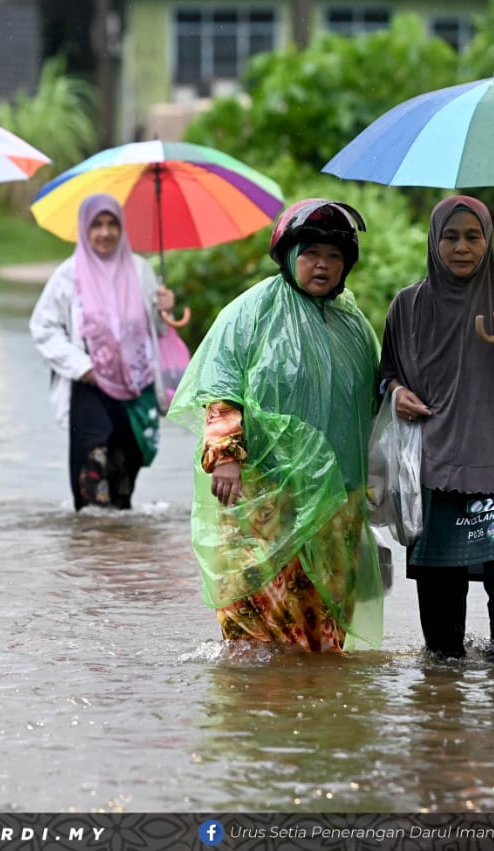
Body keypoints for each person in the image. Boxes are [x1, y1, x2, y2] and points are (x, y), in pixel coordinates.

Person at [167, 198, 384, 653]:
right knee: (256, 626)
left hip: (333, 503)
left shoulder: (356, 328)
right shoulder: (250, 314)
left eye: (334, 256)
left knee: (321, 628)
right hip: (262, 493)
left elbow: (369, 409)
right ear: (288, 255)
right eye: (310, 253)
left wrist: (375, 480)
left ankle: (313, 714)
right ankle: (257, 715)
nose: (322, 265)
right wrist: (225, 456)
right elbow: (221, 387)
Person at [380, 195, 494, 659]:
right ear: (434, 241)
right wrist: (397, 393)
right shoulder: (407, 307)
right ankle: (443, 713)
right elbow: (384, 374)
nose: (462, 247)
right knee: (441, 620)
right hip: (434, 469)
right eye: (451, 236)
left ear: (489, 241)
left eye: (473, 236)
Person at [29, 194, 175, 510]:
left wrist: (164, 310)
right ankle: (90, 551)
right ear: (84, 229)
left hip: (136, 388)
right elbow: (43, 327)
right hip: (90, 387)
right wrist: (83, 367)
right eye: (96, 224)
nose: (105, 233)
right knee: (93, 472)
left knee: (123, 482)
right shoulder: (68, 275)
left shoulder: (140, 270)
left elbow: (156, 333)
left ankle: (117, 555)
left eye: (112, 224)